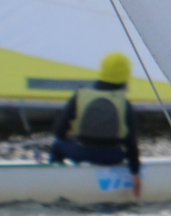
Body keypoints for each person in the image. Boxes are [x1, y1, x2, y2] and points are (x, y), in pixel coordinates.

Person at [49, 52, 140, 191]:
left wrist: (71, 135)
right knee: (122, 150)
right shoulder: (125, 103)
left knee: (57, 146)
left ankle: (55, 183)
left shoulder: (80, 96)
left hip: (82, 153)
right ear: (126, 75)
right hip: (112, 156)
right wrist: (135, 172)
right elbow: (131, 143)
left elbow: (59, 132)